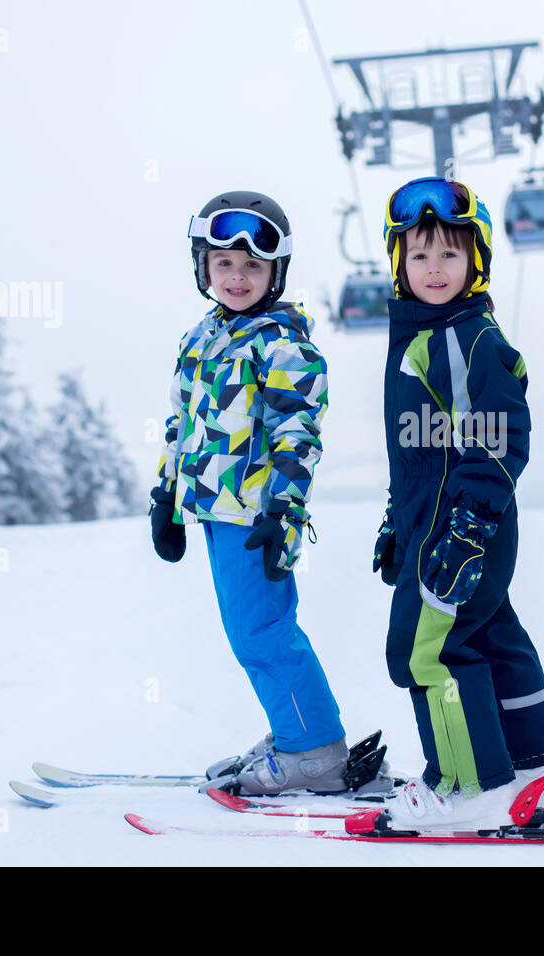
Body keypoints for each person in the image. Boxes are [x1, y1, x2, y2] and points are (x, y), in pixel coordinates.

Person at [372, 176, 544, 829]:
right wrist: (396, 523)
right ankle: (537, 766)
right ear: (398, 260)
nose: (434, 268)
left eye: (450, 254)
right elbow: (423, 454)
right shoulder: (426, 336)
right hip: (439, 524)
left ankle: (469, 788)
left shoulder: (470, 339)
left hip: (462, 530)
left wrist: (464, 526)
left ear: (476, 261)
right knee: (491, 634)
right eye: (420, 254)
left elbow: (498, 438)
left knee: (426, 650)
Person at [149, 189, 349, 795]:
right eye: (224, 263)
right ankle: (296, 730)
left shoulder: (281, 345)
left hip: (256, 516)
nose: (237, 277)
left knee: (263, 633)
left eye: (253, 266)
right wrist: (166, 495)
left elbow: (297, 433)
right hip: (213, 510)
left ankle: (313, 752)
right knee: (249, 632)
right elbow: (179, 424)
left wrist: (284, 512)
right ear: (203, 267)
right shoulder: (199, 339)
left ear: (275, 272)